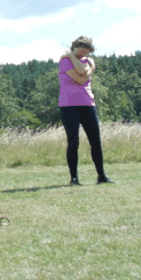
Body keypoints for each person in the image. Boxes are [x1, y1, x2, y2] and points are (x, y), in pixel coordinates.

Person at [58, 37, 114, 185]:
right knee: (73, 141)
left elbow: (83, 75)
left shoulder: (87, 61)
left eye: (86, 51)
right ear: (74, 47)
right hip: (69, 105)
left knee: (95, 141)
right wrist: (72, 58)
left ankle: (102, 176)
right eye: (81, 50)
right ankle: (74, 178)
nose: (83, 54)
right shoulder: (64, 62)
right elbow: (81, 77)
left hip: (88, 103)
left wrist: (72, 56)